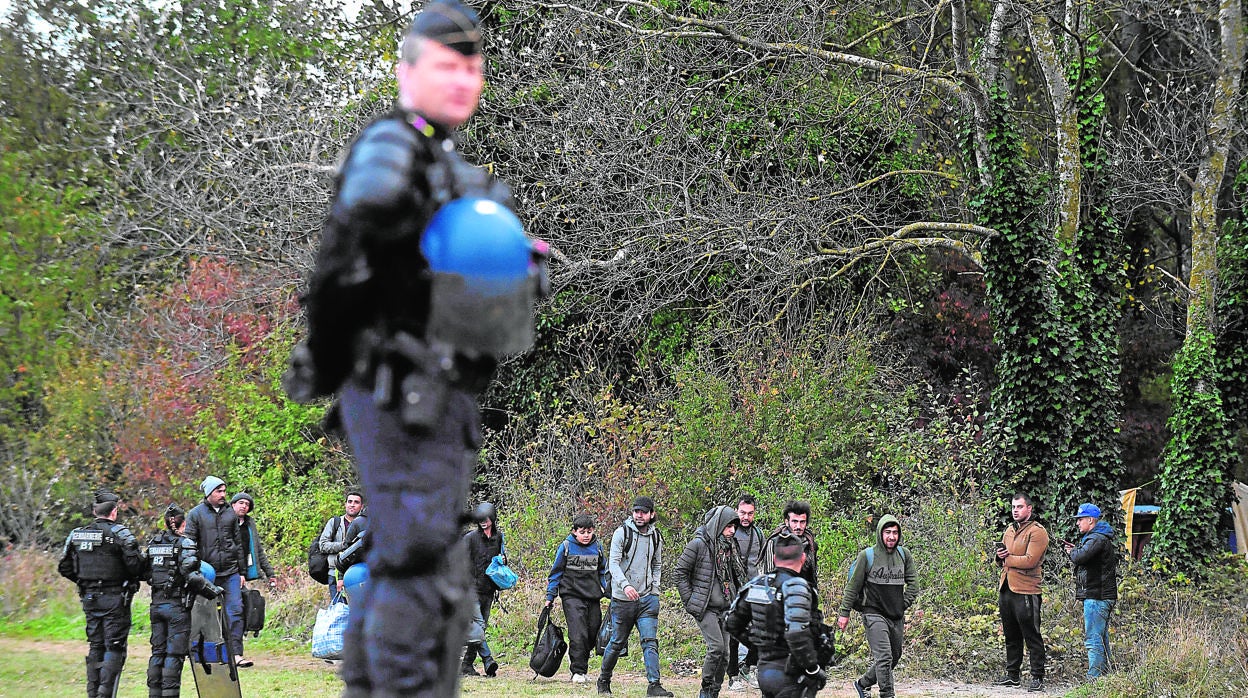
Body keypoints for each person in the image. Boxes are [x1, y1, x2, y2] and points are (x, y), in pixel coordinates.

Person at [282, 0, 546, 690]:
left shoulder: (441, 157)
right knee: (420, 567)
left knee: (410, 561)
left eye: (473, 67)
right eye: (447, 65)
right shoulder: (396, 142)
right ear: (407, 72)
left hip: (433, 394)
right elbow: (371, 206)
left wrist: (513, 265)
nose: (463, 78)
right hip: (403, 393)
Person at [57, 490, 145, 698]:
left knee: (96, 645)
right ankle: (104, 695)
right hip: (115, 599)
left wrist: (84, 582)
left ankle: (93, 693)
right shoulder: (120, 534)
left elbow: (65, 567)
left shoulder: (77, 534)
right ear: (114, 512)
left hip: (89, 598)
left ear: (95, 511)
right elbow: (136, 567)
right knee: (114, 647)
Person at [724, 537, 826, 698]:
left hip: (764, 669)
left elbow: (731, 623)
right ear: (803, 558)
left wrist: (758, 644)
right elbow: (797, 634)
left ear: (774, 558)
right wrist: (813, 668)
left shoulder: (757, 585)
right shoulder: (798, 587)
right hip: (790, 671)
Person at [142, 503, 222, 698]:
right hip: (177, 606)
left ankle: (154, 694)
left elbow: (143, 571)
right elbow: (192, 576)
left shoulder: (154, 543)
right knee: (174, 654)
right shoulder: (184, 544)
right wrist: (214, 591)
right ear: (183, 523)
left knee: (157, 652)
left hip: (156, 604)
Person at [597, 496, 673, 697]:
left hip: (647, 599)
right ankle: (604, 680)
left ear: (651, 514)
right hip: (623, 599)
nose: (639, 515)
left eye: (644, 512)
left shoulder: (656, 536)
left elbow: (657, 564)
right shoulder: (621, 533)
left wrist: (655, 589)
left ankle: (654, 685)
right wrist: (625, 585)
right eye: (636, 511)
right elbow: (613, 564)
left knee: (650, 641)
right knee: (617, 642)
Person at [837, 515, 919, 698]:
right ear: (880, 533)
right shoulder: (867, 556)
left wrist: (902, 604)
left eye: (895, 533)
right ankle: (887, 694)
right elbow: (853, 587)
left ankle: (863, 683)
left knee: (894, 656)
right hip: (873, 613)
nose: (891, 537)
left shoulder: (904, 555)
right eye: (887, 532)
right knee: (884, 657)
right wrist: (844, 613)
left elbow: (914, 586)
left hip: (895, 615)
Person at [674, 505, 745, 698]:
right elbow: (680, 572)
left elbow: (737, 577)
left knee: (726, 655)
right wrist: (690, 600)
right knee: (717, 648)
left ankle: (714, 692)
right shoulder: (698, 544)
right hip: (705, 608)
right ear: (719, 524)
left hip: (726, 607)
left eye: (734, 526)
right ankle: (705, 691)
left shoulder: (730, 547)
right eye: (729, 526)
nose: (732, 530)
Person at [184, 475, 248, 667]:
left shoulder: (230, 514)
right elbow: (189, 545)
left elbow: (238, 544)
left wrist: (242, 571)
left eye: (224, 491)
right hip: (207, 575)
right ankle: (199, 652)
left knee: (235, 611)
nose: (223, 494)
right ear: (208, 493)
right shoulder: (195, 514)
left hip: (230, 572)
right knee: (203, 614)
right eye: (218, 491)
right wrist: (194, 571)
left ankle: (235, 654)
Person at [993, 493, 1050, 692]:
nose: (1015, 510)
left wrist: (1007, 560)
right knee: (1011, 634)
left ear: (1029, 509)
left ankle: (1037, 676)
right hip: (1007, 586)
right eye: (1013, 507)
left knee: (1032, 634)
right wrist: (999, 557)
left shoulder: (1038, 532)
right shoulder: (1009, 529)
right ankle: (1012, 675)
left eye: (1019, 507)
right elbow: (1002, 558)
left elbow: (1030, 561)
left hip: (1027, 589)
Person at [545, 513, 608, 684]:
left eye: (589, 531)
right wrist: (550, 595)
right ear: (574, 532)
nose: (586, 535)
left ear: (593, 531)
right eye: (582, 532)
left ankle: (579, 659)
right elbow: (556, 573)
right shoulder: (566, 547)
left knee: (593, 632)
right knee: (578, 633)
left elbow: (603, 572)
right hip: (571, 596)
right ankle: (578, 671)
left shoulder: (598, 547)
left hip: (593, 597)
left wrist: (609, 591)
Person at [1063, 503, 1118, 681]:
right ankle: (1108, 676)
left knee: (1093, 639)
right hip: (1102, 596)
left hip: (1097, 596)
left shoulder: (1096, 539)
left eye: (1080, 519)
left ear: (1090, 520)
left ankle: (1093, 679)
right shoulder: (1098, 538)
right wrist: (1076, 550)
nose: (1078, 523)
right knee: (1102, 638)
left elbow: (1080, 558)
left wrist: (1072, 551)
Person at [461, 502, 503, 677]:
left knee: (480, 629)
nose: (483, 521)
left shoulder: (499, 537)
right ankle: (488, 660)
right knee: (479, 625)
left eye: (486, 518)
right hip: (471, 589)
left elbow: (502, 559)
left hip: (489, 589)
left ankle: (467, 665)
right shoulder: (470, 538)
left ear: (492, 518)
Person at [727, 494, 765, 691]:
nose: (746, 517)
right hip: (732, 591)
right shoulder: (729, 532)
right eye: (742, 512)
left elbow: (763, 563)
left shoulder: (758, 534)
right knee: (734, 636)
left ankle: (749, 666)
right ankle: (733, 676)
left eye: (750, 513)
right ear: (736, 511)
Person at [318, 489, 366, 604]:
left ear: (361, 506)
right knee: (340, 609)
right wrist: (346, 545)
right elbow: (323, 545)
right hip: (335, 572)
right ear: (345, 504)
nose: (352, 505)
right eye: (350, 502)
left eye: (356, 502)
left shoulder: (363, 523)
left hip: (357, 573)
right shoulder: (335, 522)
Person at [761, 501, 819, 587]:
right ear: (787, 522)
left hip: (804, 592)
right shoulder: (774, 543)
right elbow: (769, 575)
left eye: (802, 522)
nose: (798, 526)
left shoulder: (810, 544)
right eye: (794, 521)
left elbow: (812, 575)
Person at [230, 493, 279, 589]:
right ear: (233, 504)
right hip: (230, 572)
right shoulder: (225, 523)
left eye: (247, 504)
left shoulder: (249, 525)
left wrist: (270, 574)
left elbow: (258, 551)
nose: (244, 506)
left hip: (247, 571)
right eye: (241, 503)